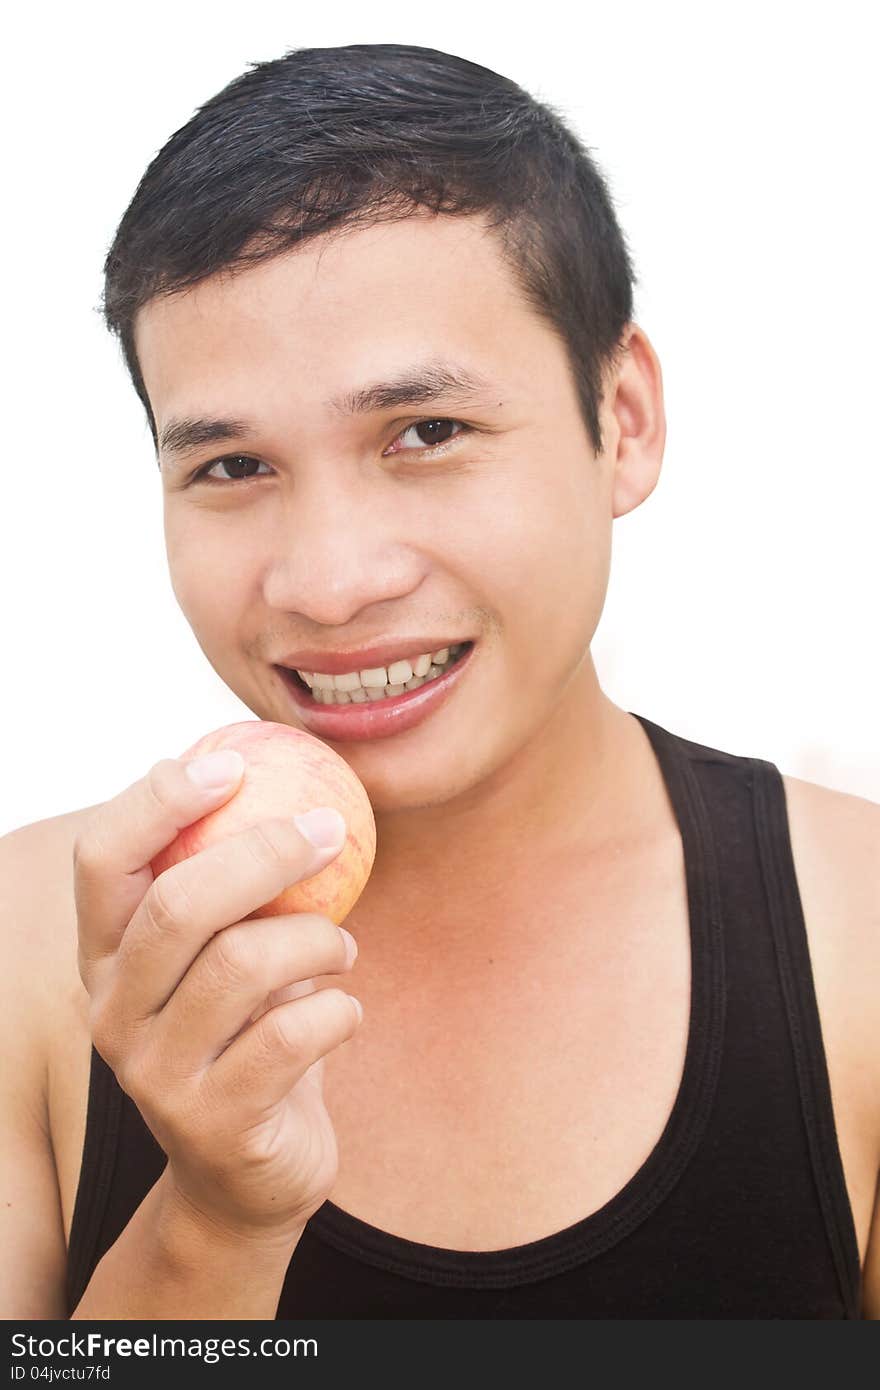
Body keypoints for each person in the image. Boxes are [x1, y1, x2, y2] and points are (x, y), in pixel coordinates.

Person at [1, 41, 877, 1321]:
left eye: (427, 433)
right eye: (233, 466)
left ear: (620, 418)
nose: (329, 581)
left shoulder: (863, 937)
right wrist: (214, 1221)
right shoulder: (28, 958)